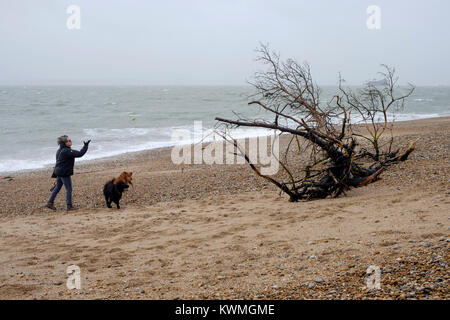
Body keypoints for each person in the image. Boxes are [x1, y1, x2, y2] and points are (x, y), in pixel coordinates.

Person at [46, 135, 91, 211]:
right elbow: (80, 153)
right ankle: (69, 206)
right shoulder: (67, 151)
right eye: (69, 140)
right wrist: (85, 146)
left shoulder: (60, 150)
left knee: (57, 187)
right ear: (64, 143)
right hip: (64, 172)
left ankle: (50, 203)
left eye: (70, 140)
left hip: (58, 171)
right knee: (69, 189)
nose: (70, 141)